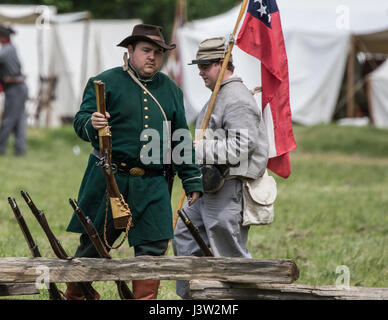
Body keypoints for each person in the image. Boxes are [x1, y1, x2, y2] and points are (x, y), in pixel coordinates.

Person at [64, 24, 203, 300]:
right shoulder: (105, 82)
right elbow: (80, 122)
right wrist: (92, 123)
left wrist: (191, 178)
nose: (152, 57)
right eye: (146, 50)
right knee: (94, 246)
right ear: (130, 51)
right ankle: (75, 296)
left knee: (152, 251)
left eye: (158, 53)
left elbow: (180, 138)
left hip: (153, 184)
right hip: (110, 180)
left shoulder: (171, 91)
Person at [173, 37, 269, 299]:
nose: (200, 72)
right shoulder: (218, 95)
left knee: (229, 253)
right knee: (184, 237)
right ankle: (195, 297)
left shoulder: (236, 98)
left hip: (229, 185)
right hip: (208, 186)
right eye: (199, 66)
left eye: (205, 66)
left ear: (222, 63)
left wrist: (198, 148)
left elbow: (242, 146)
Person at [0, 24, 28, 156]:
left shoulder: (6, 50)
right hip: (19, 88)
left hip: (14, 88)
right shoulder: (11, 48)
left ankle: (1, 149)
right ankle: (20, 150)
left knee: (8, 120)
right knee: (19, 120)